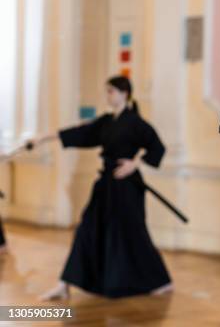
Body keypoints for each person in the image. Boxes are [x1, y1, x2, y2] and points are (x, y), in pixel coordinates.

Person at [33, 76, 172, 300]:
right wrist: (44, 137)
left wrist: (134, 164)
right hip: (105, 185)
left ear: (124, 93)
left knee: (134, 233)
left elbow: (158, 148)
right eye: (106, 91)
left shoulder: (136, 123)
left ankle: (161, 281)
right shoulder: (107, 122)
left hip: (127, 187)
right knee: (85, 230)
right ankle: (64, 284)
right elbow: (81, 133)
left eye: (110, 91)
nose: (107, 95)